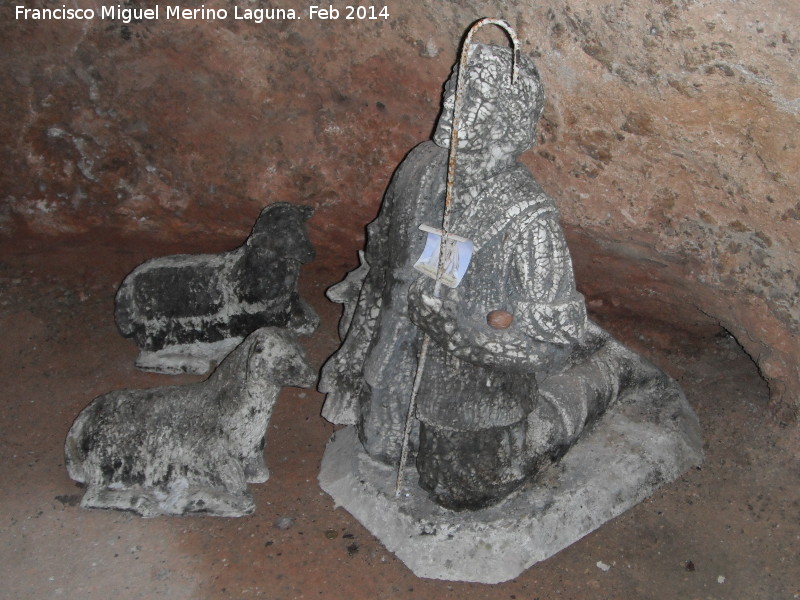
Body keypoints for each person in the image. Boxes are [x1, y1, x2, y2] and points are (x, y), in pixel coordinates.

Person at [320, 44, 591, 510]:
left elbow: (554, 345)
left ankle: (601, 378)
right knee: (381, 449)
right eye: (453, 84)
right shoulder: (419, 169)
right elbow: (381, 271)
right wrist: (355, 354)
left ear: (508, 118)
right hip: (397, 362)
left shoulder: (528, 217)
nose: (451, 100)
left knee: (460, 487)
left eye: (475, 94)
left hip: (475, 385)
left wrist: (464, 336)